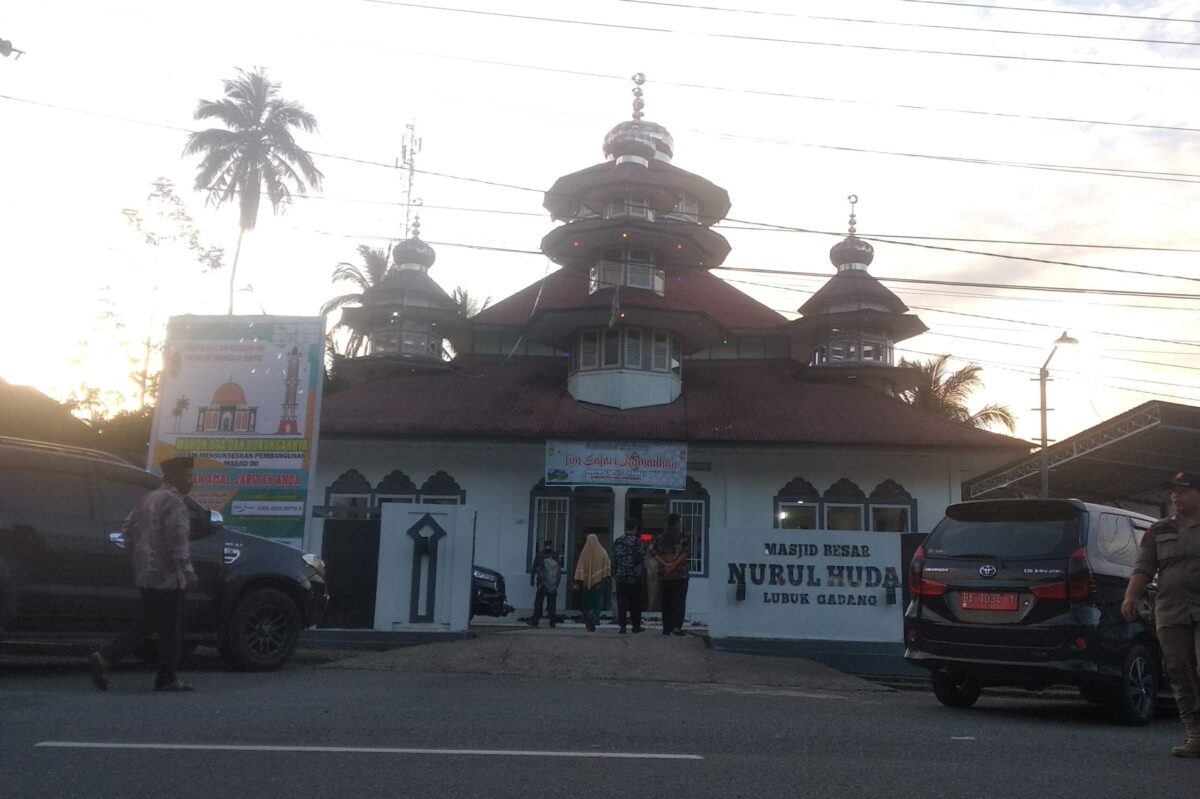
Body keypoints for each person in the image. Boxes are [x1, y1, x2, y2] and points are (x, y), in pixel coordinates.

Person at [87, 455, 199, 692]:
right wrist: (187, 570)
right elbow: (177, 539)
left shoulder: (147, 499)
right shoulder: (175, 502)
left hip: (145, 573)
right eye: (188, 476)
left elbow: (127, 529)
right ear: (174, 477)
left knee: (148, 623)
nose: (192, 481)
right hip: (169, 577)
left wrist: (138, 555)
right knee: (170, 628)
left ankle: (105, 657)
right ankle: (167, 679)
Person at [1122, 470, 1200, 757]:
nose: (1176, 496)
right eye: (1173, 491)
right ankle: (1196, 735)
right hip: (1171, 611)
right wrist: (1131, 596)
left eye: (1184, 490)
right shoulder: (1159, 530)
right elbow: (1144, 567)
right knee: (1179, 672)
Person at [652, 513, 690, 636]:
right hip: (680, 574)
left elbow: (653, 552)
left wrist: (665, 564)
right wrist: (674, 565)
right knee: (679, 601)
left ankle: (666, 627)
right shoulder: (683, 537)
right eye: (680, 521)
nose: (681, 523)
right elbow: (685, 553)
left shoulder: (660, 537)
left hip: (664, 575)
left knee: (666, 601)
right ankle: (677, 627)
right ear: (677, 523)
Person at [611, 518, 645, 634]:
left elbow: (614, 559)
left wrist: (614, 573)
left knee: (622, 602)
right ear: (635, 528)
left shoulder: (617, 541)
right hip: (634, 577)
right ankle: (636, 626)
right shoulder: (638, 542)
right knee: (635, 603)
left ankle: (622, 626)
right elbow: (640, 559)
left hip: (621, 576)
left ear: (625, 528)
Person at [573, 534, 611, 632]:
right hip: (599, 583)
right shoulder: (603, 552)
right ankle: (595, 618)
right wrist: (605, 580)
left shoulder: (583, 553)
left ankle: (588, 618)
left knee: (586, 602)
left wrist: (578, 581)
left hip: (586, 583)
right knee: (598, 602)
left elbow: (579, 568)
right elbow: (607, 567)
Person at [527, 539, 563, 628]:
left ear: (544, 545)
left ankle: (535, 620)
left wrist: (532, 579)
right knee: (552, 604)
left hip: (542, 584)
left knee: (538, 602)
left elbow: (534, 568)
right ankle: (552, 622)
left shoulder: (540, 555)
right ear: (552, 545)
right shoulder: (555, 555)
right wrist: (557, 582)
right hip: (553, 584)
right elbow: (559, 571)